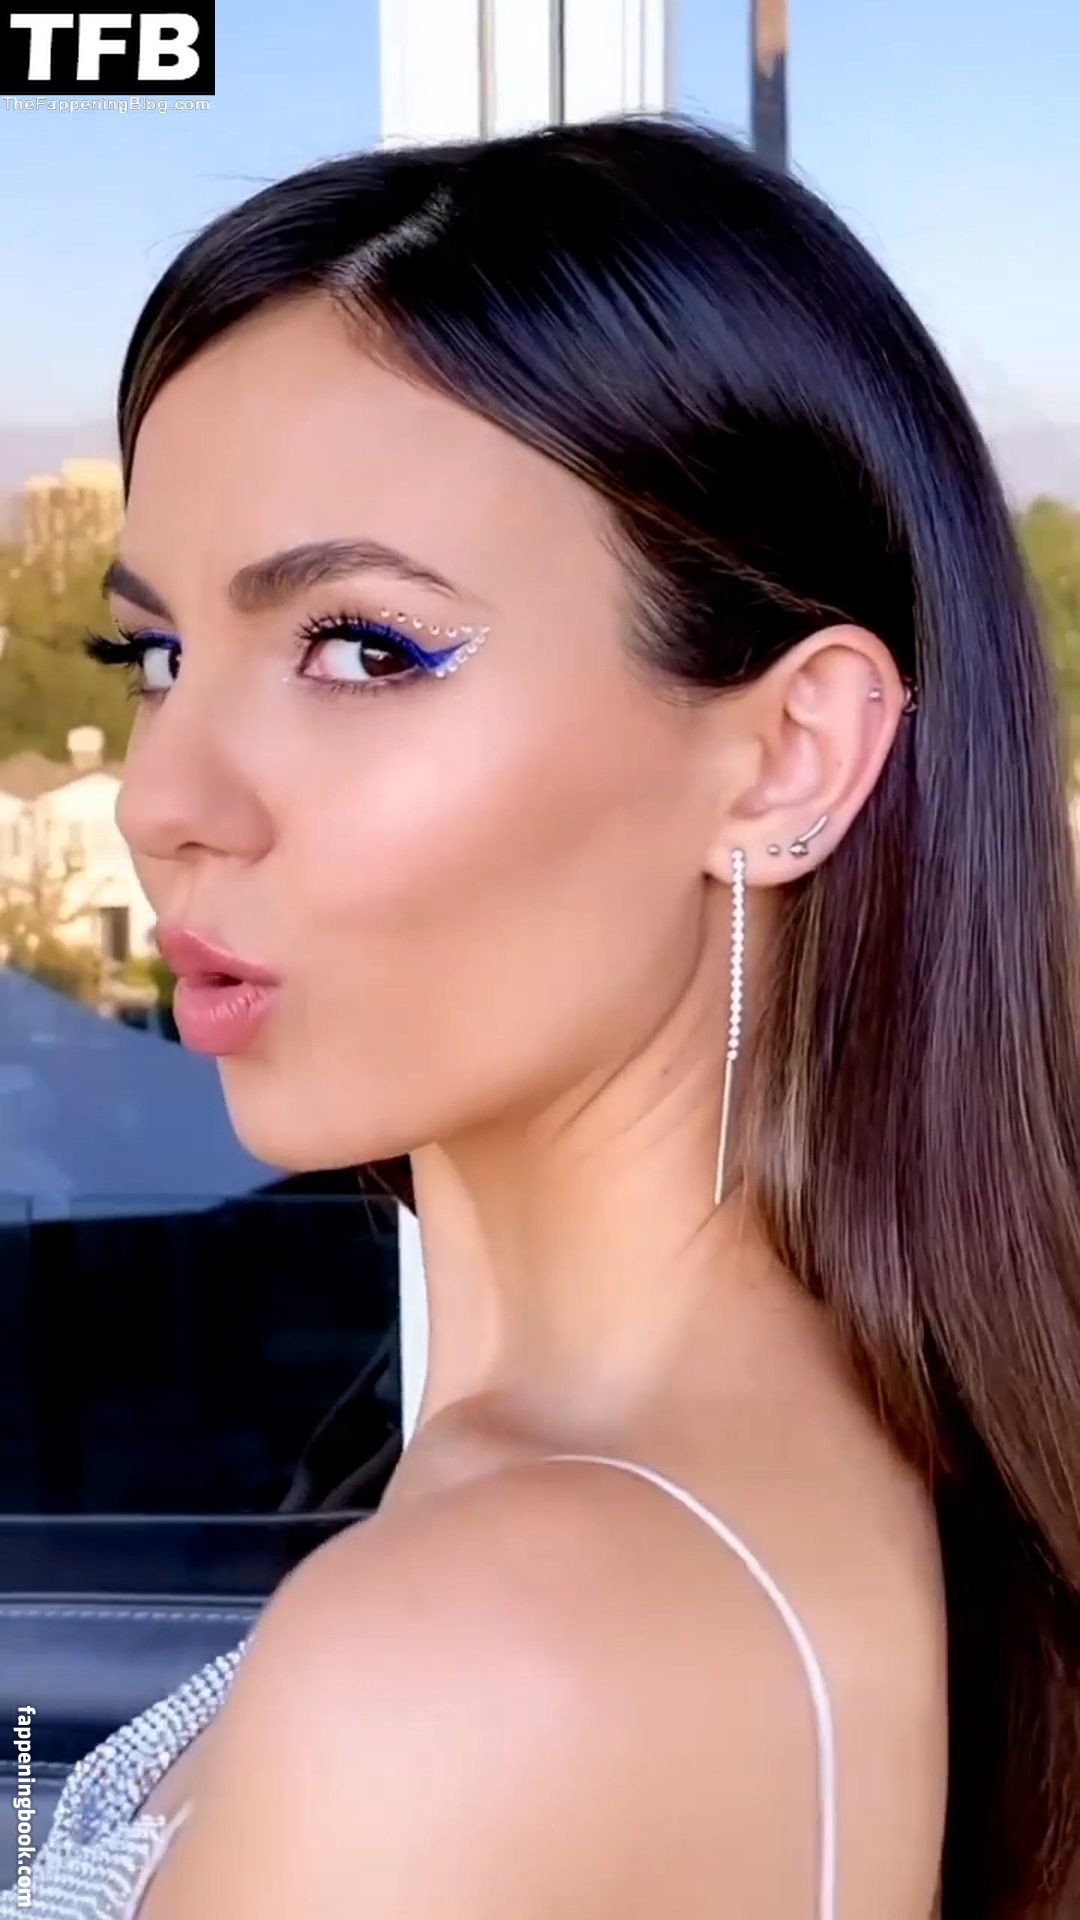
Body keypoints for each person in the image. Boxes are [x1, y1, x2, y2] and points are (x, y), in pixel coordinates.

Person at [7, 113, 1078, 1919]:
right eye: (159, 655)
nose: (166, 797)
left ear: (786, 757)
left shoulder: (486, 1656)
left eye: (362, 648)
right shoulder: (793, 1480)